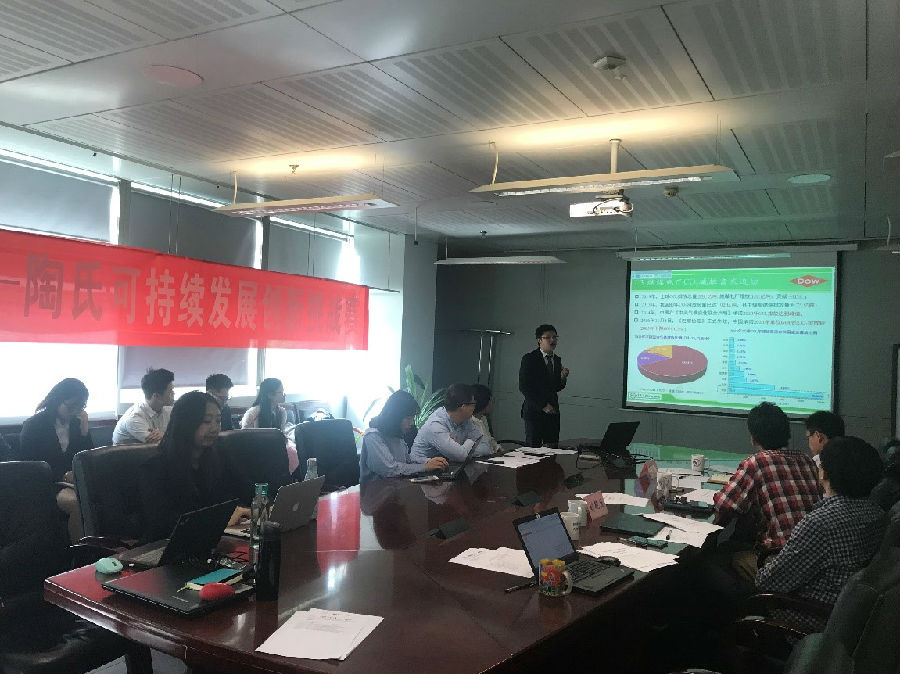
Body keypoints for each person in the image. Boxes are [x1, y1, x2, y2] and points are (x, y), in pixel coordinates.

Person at [756, 436, 886, 631]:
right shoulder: (878, 513)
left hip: (805, 616)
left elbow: (769, 583)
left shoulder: (821, 523)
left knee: (729, 572)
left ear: (824, 472)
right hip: (845, 616)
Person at [713, 401, 822, 579]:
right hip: (813, 559)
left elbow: (724, 504)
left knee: (717, 557)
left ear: (753, 439)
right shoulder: (807, 461)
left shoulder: (756, 463)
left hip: (780, 562)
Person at [138, 391, 249, 542]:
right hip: (168, 546)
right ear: (185, 424)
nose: (214, 428)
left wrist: (255, 506)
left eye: (218, 421)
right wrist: (220, 518)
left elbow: (244, 489)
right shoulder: (155, 468)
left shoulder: (219, 455)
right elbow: (163, 523)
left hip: (214, 539)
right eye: (206, 421)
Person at [19, 378, 94, 542]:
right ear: (58, 400)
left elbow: (87, 458)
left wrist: (84, 432)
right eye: (71, 407)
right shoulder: (34, 425)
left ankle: (106, 547)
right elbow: (29, 465)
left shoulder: (76, 424)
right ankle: (82, 552)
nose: (75, 412)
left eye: (80, 407)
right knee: (76, 503)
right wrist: (62, 475)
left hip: (74, 481)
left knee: (100, 495)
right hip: (46, 483)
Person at [359, 391, 449, 483]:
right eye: (408, 418)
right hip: (375, 489)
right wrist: (424, 467)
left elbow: (406, 459)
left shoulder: (396, 432)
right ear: (395, 417)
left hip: (395, 486)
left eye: (413, 418)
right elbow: (390, 469)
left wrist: (428, 461)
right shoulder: (373, 436)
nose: (412, 423)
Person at [409, 383, 493, 463]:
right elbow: (461, 456)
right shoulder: (435, 424)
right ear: (463, 407)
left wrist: (461, 449)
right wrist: (472, 441)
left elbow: (486, 447)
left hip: (449, 466)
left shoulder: (466, 420)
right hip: (422, 468)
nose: (474, 408)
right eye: (473, 404)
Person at [518, 324, 569, 447]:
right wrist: (543, 405)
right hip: (534, 410)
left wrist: (563, 377)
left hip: (552, 412)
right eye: (548, 337)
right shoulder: (530, 358)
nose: (552, 340)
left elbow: (555, 387)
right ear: (539, 340)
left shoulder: (557, 360)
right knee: (533, 449)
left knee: (552, 448)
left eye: (555, 337)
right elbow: (524, 386)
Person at [240, 378, 299, 473]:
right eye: (281, 392)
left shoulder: (282, 412)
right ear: (270, 395)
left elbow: (282, 434)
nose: (284, 395)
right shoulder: (253, 413)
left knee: (294, 451)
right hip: (256, 448)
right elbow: (244, 438)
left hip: (275, 446)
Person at [112, 367, 175, 444]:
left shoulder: (168, 410)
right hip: (131, 452)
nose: (174, 394)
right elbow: (160, 445)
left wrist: (164, 436)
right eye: (170, 391)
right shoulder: (134, 418)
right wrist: (166, 436)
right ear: (157, 396)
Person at [471, 384, 500, 454]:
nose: (491, 403)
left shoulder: (483, 418)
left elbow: (489, 439)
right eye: (490, 400)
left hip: (492, 456)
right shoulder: (469, 421)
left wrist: (499, 449)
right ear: (484, 402)